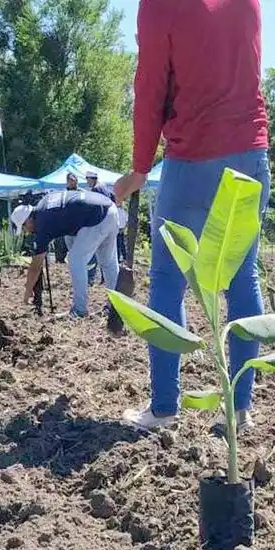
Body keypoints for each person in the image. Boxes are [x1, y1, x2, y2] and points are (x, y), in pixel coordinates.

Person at [114, 0, 270, 431]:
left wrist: (140, 168)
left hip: (192, 160)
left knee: (167, 280)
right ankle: (239, 408)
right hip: (250, 151)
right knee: (243, 278)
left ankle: (164, 408)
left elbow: (150, 87)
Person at [12, 190, 119, 318]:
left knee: (75, 259)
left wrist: (28, 292)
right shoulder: (44, 205)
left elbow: (35, 266)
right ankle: (116, 306)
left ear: (28, 220)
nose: (27, 231)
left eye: (24, 227)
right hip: (110, 208)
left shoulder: (42, 223)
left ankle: (79, 310)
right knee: (108, 263)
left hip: (96, 217)